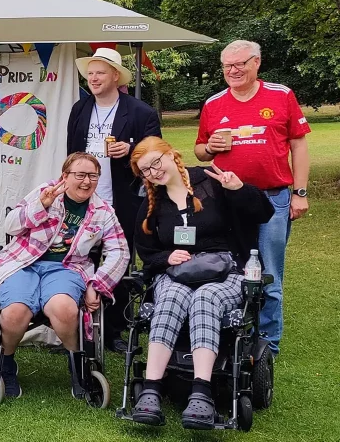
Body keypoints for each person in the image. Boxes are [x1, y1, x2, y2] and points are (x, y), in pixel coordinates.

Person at [130, 137, 273, 428]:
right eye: (146, 170)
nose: (154, 172)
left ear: (172, 154)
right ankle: (151, 390)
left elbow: (263, 212)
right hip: (177, 274)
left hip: (226, 270)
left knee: (205, 297)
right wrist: (166, 257)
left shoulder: (211, 182)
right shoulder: (153, 202)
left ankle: (201, 392)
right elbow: (146, 251)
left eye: (156, 162)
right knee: (170, 298)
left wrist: (239, 189)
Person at [193, 40, 311, 354]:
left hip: (272, 198)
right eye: (227, 66)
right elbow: (200, 150)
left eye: (239, 64)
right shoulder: (214, 103)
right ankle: (230, 335)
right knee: (229, 266)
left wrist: (300, 193)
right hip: (227, 200)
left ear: (256, 62)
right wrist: (210, 148)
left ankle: (267, 346)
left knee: (268, 272)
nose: (233, 71)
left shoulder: (281, 95)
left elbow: (299, 145)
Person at [0, 152, 129, 401]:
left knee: (64, 309)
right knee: (15, 312)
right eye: (80, 175)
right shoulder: (46, 192)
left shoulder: (103, 211)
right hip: (23, 262)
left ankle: (78, 364)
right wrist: (40, 206)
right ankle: (5, 362)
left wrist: (97, 284)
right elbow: (11, 226)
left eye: (93, 176)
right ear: (65, 176)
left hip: (67, 268)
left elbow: (120, 252)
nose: (86, 181)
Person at [67, 47, 161, 352]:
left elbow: (156, 154)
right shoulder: (80, 109)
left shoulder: (140, 112)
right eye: (90, 73)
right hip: (85, 199)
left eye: (100, 73)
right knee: (81, 258)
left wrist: (130, 150)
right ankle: (78, 326)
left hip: (123, 200)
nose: (93, 78)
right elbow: (72, 155)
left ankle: (115, 329)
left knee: (118, 261)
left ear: (116, 76)